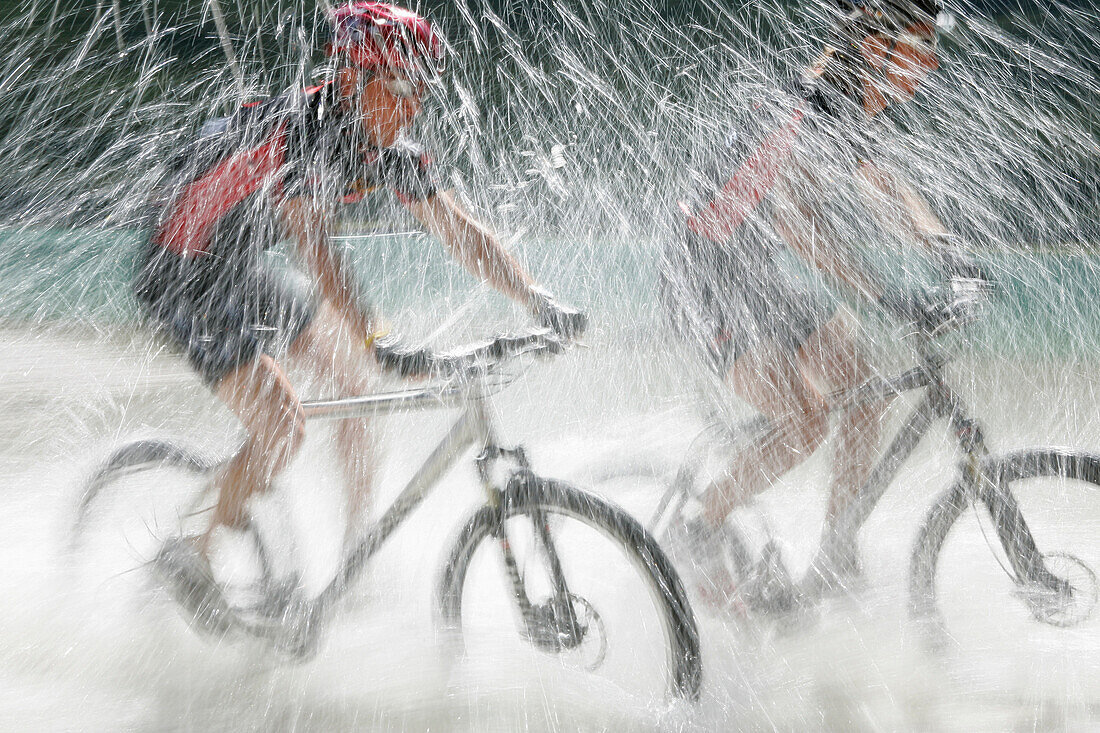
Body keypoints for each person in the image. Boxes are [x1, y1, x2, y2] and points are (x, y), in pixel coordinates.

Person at [134, 1, 586, 626]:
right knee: (281, 426)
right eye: (398, 85)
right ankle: (194, 550)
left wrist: (539, 300)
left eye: (421, 88)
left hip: (241, 265)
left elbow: (459, 230)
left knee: (353, 381)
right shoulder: (301, 130)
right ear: (352, 77)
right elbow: (314, 245)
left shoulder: (389, 145)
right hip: (181, 268)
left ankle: (356, 556)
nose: (413, 103)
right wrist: (375, 333)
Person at [659, 0, 977, 607]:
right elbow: (799, 220)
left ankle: (836, 552)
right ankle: (697, 527)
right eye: (917, 46)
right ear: (875, 46)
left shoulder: (851, 100)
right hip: (702, 276)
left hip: (756, 271)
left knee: (865, 390)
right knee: (806, 422)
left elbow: (884, 181)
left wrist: (945, 247)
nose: (930, 63)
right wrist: (889, 297)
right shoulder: (804, 104)